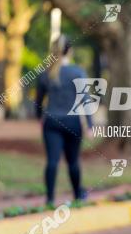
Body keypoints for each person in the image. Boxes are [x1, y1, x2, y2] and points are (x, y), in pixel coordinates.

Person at [35, 34, 92, 206]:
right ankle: (77, 195)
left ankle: (50, 199)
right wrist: (89, 125)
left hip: (51, 122)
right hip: (73, 122)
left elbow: (38, 102)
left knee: (52, 161)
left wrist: (39, 118)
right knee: (73, 161)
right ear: (70, 51)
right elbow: (85, 101)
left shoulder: (45, 74)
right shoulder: (78, 72)